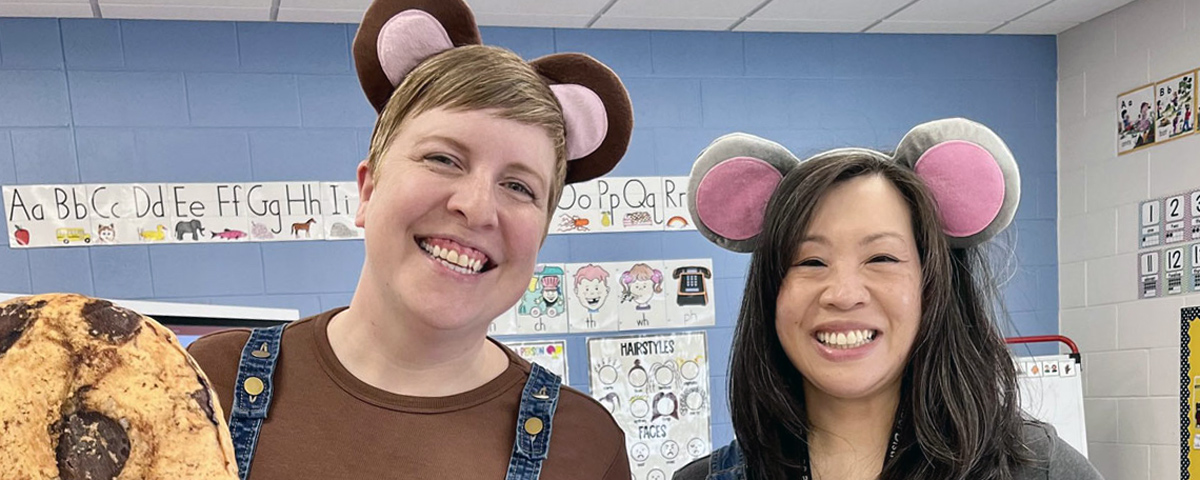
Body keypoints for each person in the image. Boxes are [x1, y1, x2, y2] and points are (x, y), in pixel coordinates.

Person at [186, 0, 635, 479]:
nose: (478, 207)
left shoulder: (587, 446)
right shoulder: (210, 381)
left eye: (519, 187)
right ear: (368, 189)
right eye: (444, 159)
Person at [673, 119, 1103, 480]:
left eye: (881, 257)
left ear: (931, 285)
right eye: (810, 262)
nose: (842, 294)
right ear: (771, 291)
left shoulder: (1036, 469)